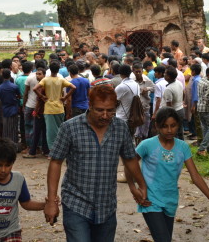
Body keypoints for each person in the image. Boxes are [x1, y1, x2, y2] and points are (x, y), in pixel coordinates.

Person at [44, 85, 148, 242]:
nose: (105, 115)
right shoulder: (70, 128)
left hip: (107, 206)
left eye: (110, 110)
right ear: (90, 105)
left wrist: (141, 185)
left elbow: (130, 159)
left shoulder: (120, 128)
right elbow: (55, 162)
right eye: (99, 110)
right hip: (76, 204)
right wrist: (51, 201)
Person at [126, 107, 209, 242]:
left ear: (178, 125)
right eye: (164, 126)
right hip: (150, 201)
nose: (169, 130)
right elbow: (129, 164)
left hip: (171, 201)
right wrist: (133, 187)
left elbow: (195, 176)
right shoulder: (147, 145)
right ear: (157, 126)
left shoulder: (183, 147)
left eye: (173, 126)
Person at [0, 138, 46, 242]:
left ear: (13, 163)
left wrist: (46, 204)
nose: (3, 170)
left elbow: (26, 203)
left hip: (11, 231)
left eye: (7, 165)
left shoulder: (18, 179)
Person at [33, 62, 76, 150]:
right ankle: (60, 149)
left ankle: (52, 151)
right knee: (59, 130)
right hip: (60, 108)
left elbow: (35, 89)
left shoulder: (45, 80)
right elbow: (73, 87)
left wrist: (42, 97)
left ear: (50, 69)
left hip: (49, 108)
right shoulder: (61, 79)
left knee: (50, 132)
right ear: (58, 70)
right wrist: (65, 97)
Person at [0, 69, 21, 147]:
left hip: (4, 109)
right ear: (10, 75)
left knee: (5, 128)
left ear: (2, 76)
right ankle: (14, 145)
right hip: (13, 108)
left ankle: (6, 145)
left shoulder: (0, 88)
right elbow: (19, 95)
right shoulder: (14, 86)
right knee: (13, 128)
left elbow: (0, 97)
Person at [162, 66, 185, 140]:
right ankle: (182, 147)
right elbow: (183, 93)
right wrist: (181, 102)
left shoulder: (169, 89)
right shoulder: (178, 83)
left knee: (174, 133)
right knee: (180, 131)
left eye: (165, 73)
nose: (163, 75)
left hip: (174, 112)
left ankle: (176, 148)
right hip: (180, 109)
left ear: (168, 77)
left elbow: (169, 106)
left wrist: (169, 116)